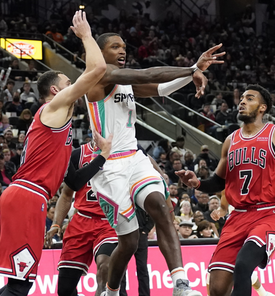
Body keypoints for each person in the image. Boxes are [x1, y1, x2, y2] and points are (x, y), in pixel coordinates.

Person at [85, 32, 224, 296]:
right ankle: (112, 291)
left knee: (161, 206)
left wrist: (188, 75)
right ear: (101, 54)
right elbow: (148, 75)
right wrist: (192, 67)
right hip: (109, 168)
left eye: (124, 47)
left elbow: (160, 88)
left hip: (133, 158)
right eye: (115, 47)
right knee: (129, 241)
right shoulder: (99, 78)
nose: (122, 51)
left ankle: (181, 284)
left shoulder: (123, 83)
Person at [0, 11, 107, 296]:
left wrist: (102, 156)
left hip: (30, 196)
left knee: (19, 283)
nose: (75, 89)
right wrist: (86, 36)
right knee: (20, 286)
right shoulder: (53, 108)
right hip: (27, 196)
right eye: (70, 85)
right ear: (56, 91)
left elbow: (73, 182)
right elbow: (96, 72)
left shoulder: (59, 131)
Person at [176, 84, 275, 296]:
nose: (242, 101)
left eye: (249, 98)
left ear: (262, 107)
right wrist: (197, 183)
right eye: (241, 99)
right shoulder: (230, 140)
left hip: (268, 213)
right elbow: (219, 182)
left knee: (244, 265)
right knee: (218, 289)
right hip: (236, 217)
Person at [45, 137, 113, 296]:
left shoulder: (123, 153)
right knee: (65, 289)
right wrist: (56, 223)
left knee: (105, 268)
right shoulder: (78, 154)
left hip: (110, 222)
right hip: (81, 220)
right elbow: (67, 194)